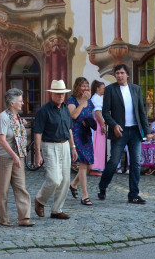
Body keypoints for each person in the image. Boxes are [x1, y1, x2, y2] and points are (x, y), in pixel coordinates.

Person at [98, 64, 153, 204]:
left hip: (135, 131)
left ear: (127, 75)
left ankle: (133, 194)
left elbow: (141, 111)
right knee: (113, 162)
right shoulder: (110, 89)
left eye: (122, 73)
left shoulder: (135, 89)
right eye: (117, 73)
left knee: (136, 163)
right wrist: (114, 125)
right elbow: (105, 112)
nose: (119, 75)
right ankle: (103, 186)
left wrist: (147, 131)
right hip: (119, 131)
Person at [33, 80, 79, 220]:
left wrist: (73, 147)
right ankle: (40, 200)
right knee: (54, 179)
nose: (60, 96)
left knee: (65, 180)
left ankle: (56, 210)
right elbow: (38, 132)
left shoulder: (65, 109)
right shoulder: (44, 110)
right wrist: (38, 153)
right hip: (50, 145)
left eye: (62, 94)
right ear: (52, 93)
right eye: (57, 93)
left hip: (65, 145)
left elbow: (69, 129)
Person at [0, 88, 35, 227]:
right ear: (12, 103)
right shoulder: (3, 117)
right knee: (3, 189)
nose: (22, 103)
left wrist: (17, 156)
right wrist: (14, 156)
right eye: (20, 101)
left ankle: (24, 218)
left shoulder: (18, 118)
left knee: (21, 187)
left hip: (17, 156)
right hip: (2, 157)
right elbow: (2, 140)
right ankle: (3, 218)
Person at [67, 77, 95, 206]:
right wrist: (82, 103)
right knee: (83, 165)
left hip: (86, 134)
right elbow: (73, 115)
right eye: (83, 86)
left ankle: (73, 184)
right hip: (76, 133)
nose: (85, 89)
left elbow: (92, 116)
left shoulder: (90, 101)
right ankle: (85, 195)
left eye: (87, 86)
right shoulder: (72, 100)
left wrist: (90, 121)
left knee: (89, 165)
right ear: (77, 87)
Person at [90, 81, 107, 176]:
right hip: (97, 124)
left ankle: (96, 168)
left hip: (96, 123)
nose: (104, 90)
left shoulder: (96, 98)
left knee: (98, 146)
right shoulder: (97, 98)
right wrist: (103, 125)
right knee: (97, 146)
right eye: (103, 88)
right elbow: (97, 113)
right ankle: (95, 168)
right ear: (98, 88)